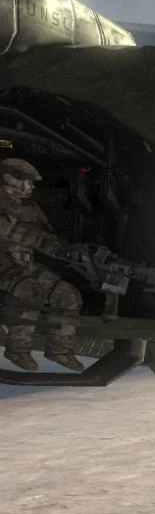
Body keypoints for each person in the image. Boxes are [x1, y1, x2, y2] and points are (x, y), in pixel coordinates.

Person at [0, 159, 83, 372]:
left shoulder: (31, 208)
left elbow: (47, 238)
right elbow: (8, 229)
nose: (32, 187)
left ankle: (60, 350)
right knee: (31, 292)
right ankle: (18, 350)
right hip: (2, 264)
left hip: (25, 264)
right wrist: (40, 240)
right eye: (28, 181)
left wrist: (65, 250)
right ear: (11, 178)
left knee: (68, 295)